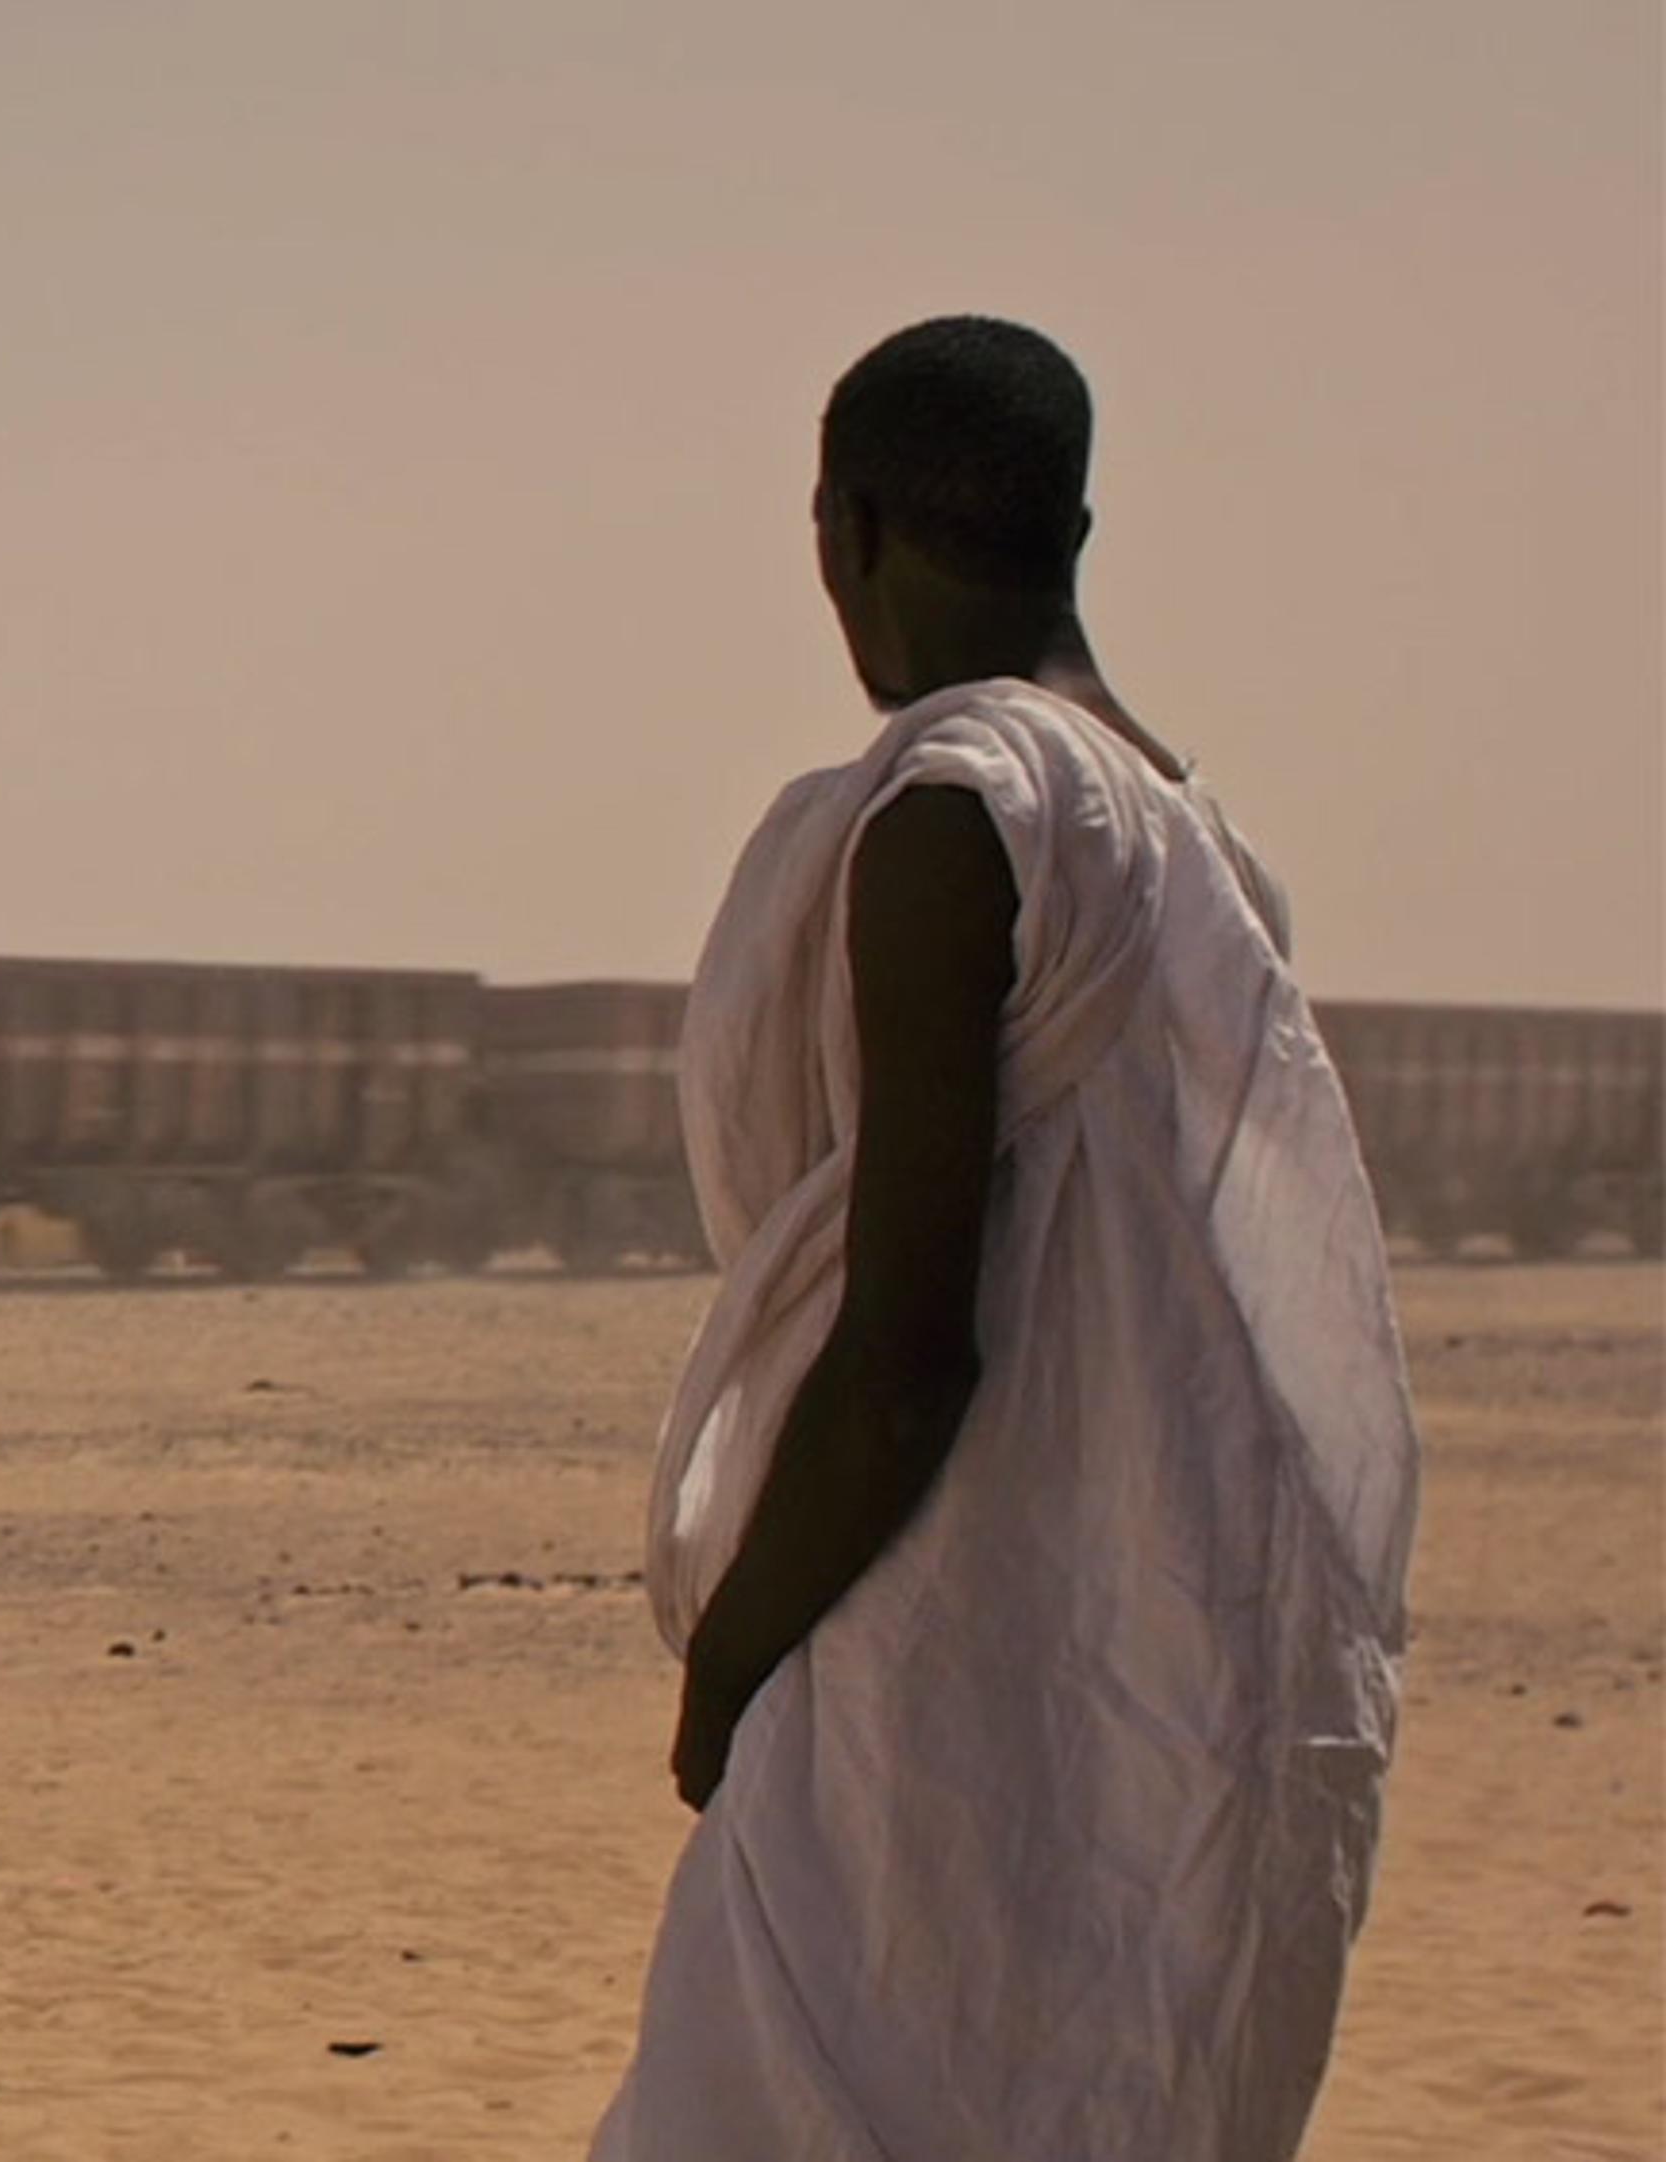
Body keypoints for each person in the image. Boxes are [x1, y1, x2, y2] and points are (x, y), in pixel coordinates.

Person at [588, 316, 1422, 2160]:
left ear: (848, 531)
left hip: (935, 1671)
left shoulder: (959, 814)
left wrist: (727, 1665)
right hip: (1148, 1667)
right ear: (1077, 530)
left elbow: (909, 1354)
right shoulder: (1205, 843)